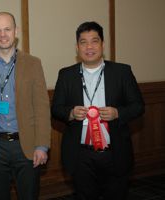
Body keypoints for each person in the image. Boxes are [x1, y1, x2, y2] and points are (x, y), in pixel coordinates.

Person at [51, 21, 144, 200]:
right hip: (81, 155)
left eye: (94, 41)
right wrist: (70, 113)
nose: (89, 47)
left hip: (114, 152)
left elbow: (138, 106)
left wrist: (118, 113)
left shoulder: (122, 72)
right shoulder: (66, 75)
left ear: (102, 44)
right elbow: (56, 109)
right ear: (77, 47)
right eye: (83, 42)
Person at [0, 12, 51, 200]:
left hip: (28, 146)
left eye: (7, 29)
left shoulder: (33, 63)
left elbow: (41, 107)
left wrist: (42, 145)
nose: (3, 34)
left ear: (16, 31)